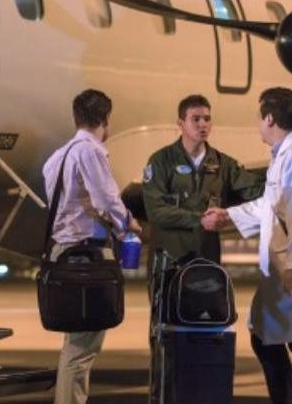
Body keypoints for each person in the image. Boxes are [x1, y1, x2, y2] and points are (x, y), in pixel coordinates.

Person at [204, 87, 292, 404]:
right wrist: (230, 215)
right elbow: (272, 205)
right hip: (283, 264)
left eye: (259, 117)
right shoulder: (287, 153)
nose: (258, 124)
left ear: (269, 119)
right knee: (271, 338)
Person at [42, 89, 142, 404]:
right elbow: (106, 199)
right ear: (105, 118)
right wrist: (128, 223)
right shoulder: (91, 151)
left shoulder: (56, 158)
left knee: (75, 342)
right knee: (83, 347)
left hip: (63, 253)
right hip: (86, 256)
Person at [142, 94, 263, 267]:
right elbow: (155, 211)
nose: (202, 124)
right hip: (168, 263)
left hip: (207, 261)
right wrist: (200, 219)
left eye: (207, 119)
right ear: (181, 123)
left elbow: (257, 190)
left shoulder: (224, 165)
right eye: (195, 119)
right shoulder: (161, 161)